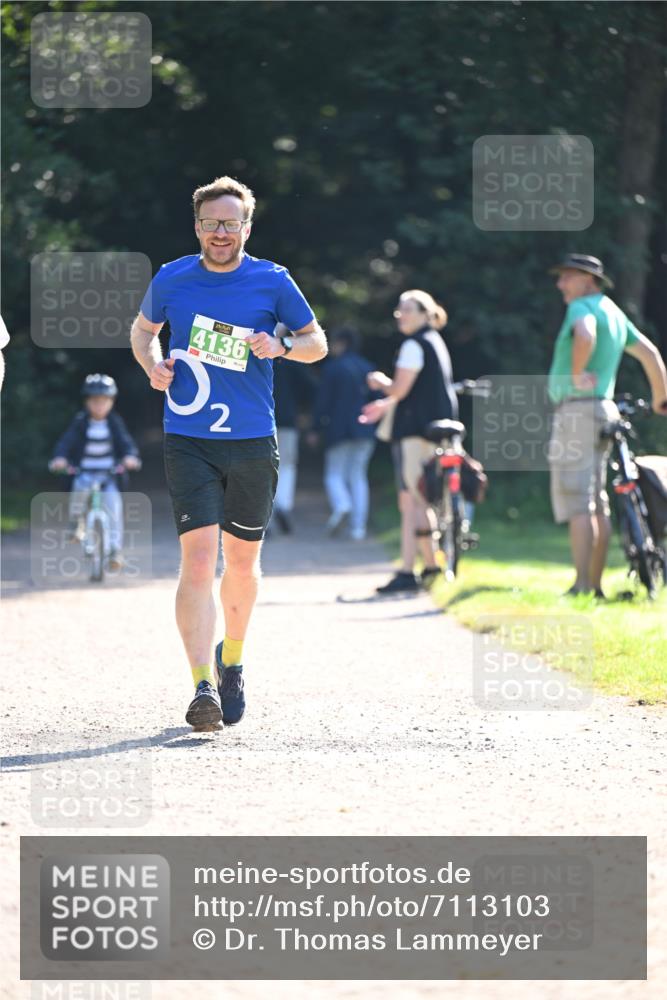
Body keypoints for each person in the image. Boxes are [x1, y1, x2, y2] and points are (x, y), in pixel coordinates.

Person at [130, 175, 326, 731]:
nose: (221, 233)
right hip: (189, 437)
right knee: (197, 561)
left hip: (251, 441)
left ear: (247, 227)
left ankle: (231, 659)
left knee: (241, 563)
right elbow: (142, 332)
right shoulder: (172, 277)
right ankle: (201, 687)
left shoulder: (273, 280)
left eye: (230, 223)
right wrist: (154, 365)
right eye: (211, 223)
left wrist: (280, 345)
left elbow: (316, 343)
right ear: (197, 227)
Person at [547, 253, 667, 597]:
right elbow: (650, 354)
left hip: (577, 410)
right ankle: (594, 586)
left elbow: (584, 335)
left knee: (578, 501)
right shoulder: (613, 312)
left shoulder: (582, 307)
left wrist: (576, 374)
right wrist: (661, 398)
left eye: (567, 277)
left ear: (588, 280)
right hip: (604, 409)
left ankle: (581, 586)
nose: (560, 284)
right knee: (596, 502)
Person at [360, 289, 458, 593]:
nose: (400, 315)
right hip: (435, 431)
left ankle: (407, 571)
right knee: (420, 498)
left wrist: (381, 383)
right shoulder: (434, 341)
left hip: (415, 433)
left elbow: (401, 389)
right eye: (399, 310)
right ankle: (429, 564)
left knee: (412, 500)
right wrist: (387, 404)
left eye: (407, 309)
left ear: (424, 314)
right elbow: (418, 390)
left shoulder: (413, 345)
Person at [49, 374, 141, 568]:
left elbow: (126, 443)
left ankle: (114, 551)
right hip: (84, 472)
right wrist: (60, 458)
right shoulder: (80, 422)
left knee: (114, 508)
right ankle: (76, 523)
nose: (99, 406)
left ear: (111, 402)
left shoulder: (114, 423)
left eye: (104, 401)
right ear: (86, 402)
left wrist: (130, 457)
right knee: (79, 491)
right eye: (94, 401)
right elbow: (66, 442)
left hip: (109, 474)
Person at [311, 326, 377, 540]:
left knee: (334, 473)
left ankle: (342, 504)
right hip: (365, 429)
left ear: (341, 343)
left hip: (338, 429)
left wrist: (315, 428)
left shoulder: (333, 368)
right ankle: (358, 528)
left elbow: (323, 402)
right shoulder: (368, 367)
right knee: (358, 476)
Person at [271, 323, 317, 534]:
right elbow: (311, 388)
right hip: (287, 420)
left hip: (257, 421)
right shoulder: (292, 355)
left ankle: (268, 513)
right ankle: (284, 505)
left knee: (260, 467)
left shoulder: (252, 350)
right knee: (287, 465)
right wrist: (304, 411)